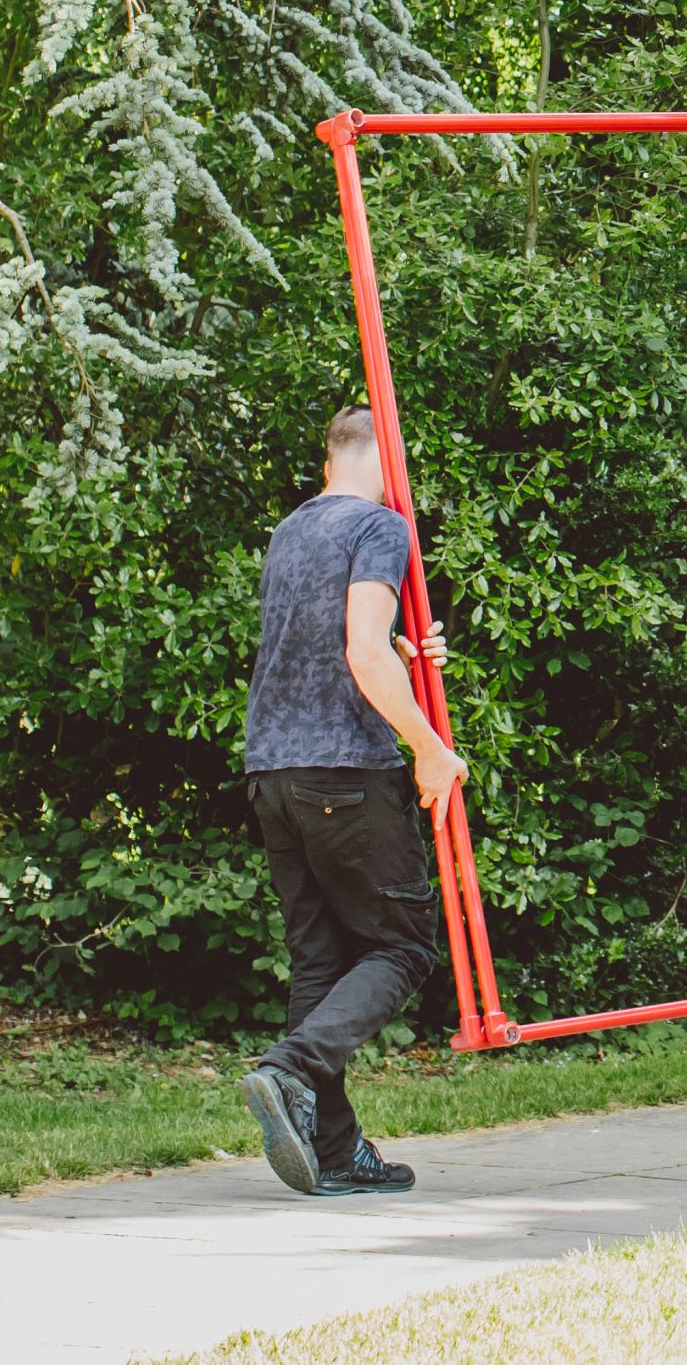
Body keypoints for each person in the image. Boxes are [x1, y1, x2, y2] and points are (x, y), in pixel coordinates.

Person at [238, 407, 462, 1198]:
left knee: (320, 960)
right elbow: (359, 650)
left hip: (272, 769)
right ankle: (288, 1067)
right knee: (403, 947)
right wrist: (429, 746)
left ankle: (333, 1150)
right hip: (344, 768)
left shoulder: (291, 530)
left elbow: (328, 644)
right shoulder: (381, 526)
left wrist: (401, 651)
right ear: (385, 454)